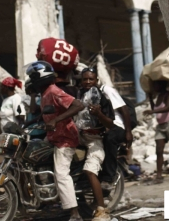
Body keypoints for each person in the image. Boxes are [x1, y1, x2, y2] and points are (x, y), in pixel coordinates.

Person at [26, 61, 85, 221]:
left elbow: (78, 105)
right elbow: (39, 111)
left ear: (40, 77)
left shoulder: (53, 91)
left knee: (61, 173)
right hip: (54, 137)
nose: (31, 80)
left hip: (65, 138)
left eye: (32, 77)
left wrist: (56, 120)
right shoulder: (44, 94)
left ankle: (75, 214)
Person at [75, 68, 115, 220]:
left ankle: (101, 209)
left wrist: (99, 114)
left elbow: (110, 124)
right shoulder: (78, 94)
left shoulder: (102, 98)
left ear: (96, 80)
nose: (87, 82)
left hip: (95, 139)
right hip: (78, 137)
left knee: (90, 171)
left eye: (91, 79)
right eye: (85, 79)